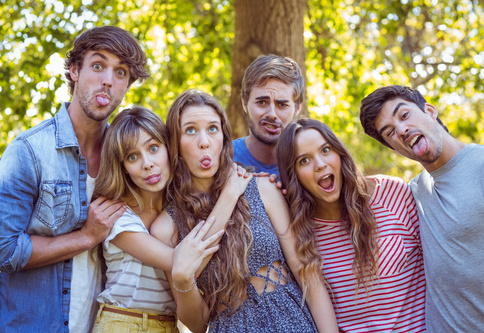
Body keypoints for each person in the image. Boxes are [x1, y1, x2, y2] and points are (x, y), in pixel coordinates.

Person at [0, 26, 149, 332]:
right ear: (74, 70)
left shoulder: (129, 159)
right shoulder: (29, 151)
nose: (108, 81)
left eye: (121, 72)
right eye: (98, 66)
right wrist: (86, 236)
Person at [151, 89, 338, 333]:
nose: (204, 141)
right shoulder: (166, 226)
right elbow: (196, 324)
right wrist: (184, 279)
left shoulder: (261, 188)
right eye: (190, 130)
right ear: (175, 143)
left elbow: (308, 277)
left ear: (223, 137)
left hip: (294, 322)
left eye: (212, 129)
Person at [91, 106, 248, 332]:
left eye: (153, 148)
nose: (147, 164)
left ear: (169, 148)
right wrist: (230, 194)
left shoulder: (178, 209)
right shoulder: (118, 216)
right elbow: (183, 265)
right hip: (123, 322)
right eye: (132, 156)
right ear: (123, 167)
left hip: (168, 325)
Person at [277, 118, 426, 332]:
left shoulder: (393, 194)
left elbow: (440, 267)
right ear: (294, 176)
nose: (320, 164)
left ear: (339, 153)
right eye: (304, 161)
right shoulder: (299, 234)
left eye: (326, 150)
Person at [360, 85, 484, 332]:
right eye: (389, 132)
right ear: (394, 148)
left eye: (404, 115)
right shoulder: (413, 192)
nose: (402, 130)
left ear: (430, 111)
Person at [232, 54, 303, 176]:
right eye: (261, 102)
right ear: (244, 103)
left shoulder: (309, 165)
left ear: (297, 108)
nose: (272, 114)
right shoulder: (222, 159)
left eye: (281, 104)